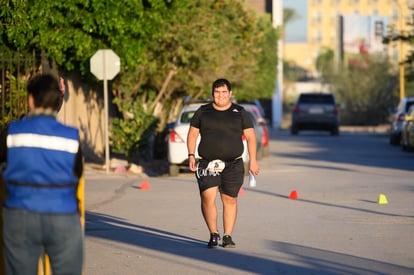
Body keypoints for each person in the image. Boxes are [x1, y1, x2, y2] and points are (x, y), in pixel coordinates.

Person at [0, 74, 84, 274]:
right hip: (63, 217)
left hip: (20, 217)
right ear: (57, 100)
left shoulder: (12, 132)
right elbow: (77, 174)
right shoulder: (71, 137)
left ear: (30, 99)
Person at [187, 78, 259, 248]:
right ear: (213, 93)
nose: (220, 96)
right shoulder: (203, 111)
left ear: (230, 93)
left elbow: (250, 137)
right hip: (207, 163)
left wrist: (253, 162)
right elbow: (192, 135)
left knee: (230, 199)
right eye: (217, 92)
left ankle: (227, 236)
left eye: (224, 92)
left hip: (233, 164)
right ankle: (213, 233)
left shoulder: (239, 112)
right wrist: (191, 155)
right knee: (207, 196)